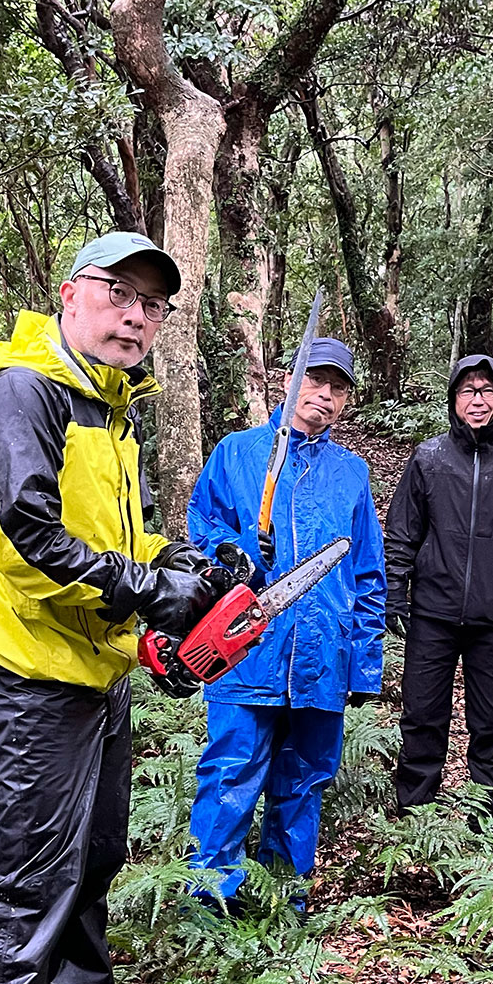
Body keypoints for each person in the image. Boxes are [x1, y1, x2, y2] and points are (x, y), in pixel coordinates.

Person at [0, 231, 229, 984]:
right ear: (72, 295)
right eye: (118, 294)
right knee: (25, 892)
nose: (134, 316)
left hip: (92, 676)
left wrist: (188, 568)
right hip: (32, 681)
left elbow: (114, 541)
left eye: (151, 304)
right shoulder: (25, 393)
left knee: (95, 860)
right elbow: (31, 542)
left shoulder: (105, 410)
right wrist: (151, 591)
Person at [184, 337, 386, 909]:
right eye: (316, 380)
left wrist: (364, 664)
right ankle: (209, 904)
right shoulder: (239, 452)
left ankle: (282, 901)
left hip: (322, 657)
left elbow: (367, 573)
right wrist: (236, 553)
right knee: (230, 777)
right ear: (290, 381)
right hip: (247, 650)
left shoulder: (352, 472)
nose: (324, 395)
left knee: (303, 785)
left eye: (338, 386)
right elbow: (202, 528)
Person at [384, 354, 493, 818]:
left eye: (486, 391)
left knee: (492, 723)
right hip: (432, 613)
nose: (477, 400)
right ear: (453, 400)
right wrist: (395, 592)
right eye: (467, 391)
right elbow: (403, 530)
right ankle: (414, 814)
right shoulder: (429, 458)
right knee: (422, 717)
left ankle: (490, 818)